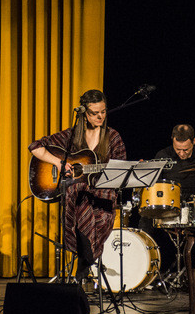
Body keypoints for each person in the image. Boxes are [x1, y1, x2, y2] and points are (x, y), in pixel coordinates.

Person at [28, 89, 126, 281]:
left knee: (89, 206)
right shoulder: (72, 135)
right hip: (77, 197)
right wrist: (58, 163)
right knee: (79, 195)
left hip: (103, 198)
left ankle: (85, 263)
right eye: (94, 113)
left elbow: (120, 170)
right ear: (84, 113)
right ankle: (85, 262)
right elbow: (35, 147)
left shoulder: (113, 137)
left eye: (103, 111)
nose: (100, 116)